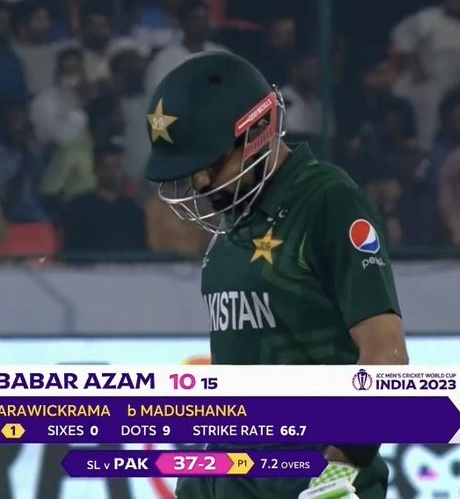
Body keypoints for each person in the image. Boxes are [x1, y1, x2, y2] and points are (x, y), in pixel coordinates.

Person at [144, 51, 408, 499]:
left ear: (259, 130)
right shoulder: (233, 223)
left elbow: (386, 358)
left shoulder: (327, 202)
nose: (201, 185)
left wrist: (339, 470)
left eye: (210, 164)